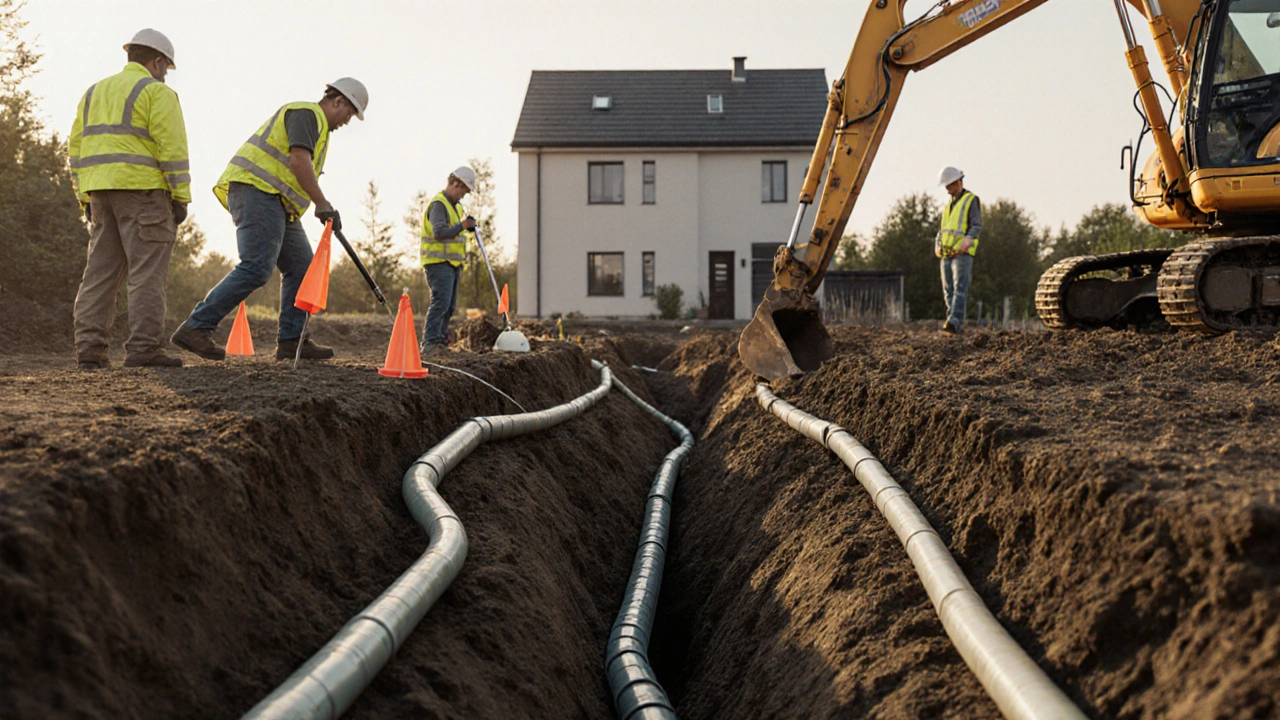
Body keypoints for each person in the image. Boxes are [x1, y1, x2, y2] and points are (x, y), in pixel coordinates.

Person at [170, 78, 368, 361]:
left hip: (279, 203)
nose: (347, 122)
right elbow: (298, 161)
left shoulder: (319, 129)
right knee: (257, 267)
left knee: (302, 266)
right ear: (339, 101)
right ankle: (196, 327)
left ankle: (292, 340)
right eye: (349, 114)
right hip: (256, 190)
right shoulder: (306, 114)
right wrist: (322, 203)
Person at [69, 29, 190, 369]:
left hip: (99, 195)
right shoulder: (156, 93)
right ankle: (144, 350)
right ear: (157, 61)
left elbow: (75, 149)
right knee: (146, 272)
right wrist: (180, 196)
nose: (165, 75)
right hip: (143, 194)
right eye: (165, 68)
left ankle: (90, 352)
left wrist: (85, 198)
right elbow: (173, 148)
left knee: (100, 273)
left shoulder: (94, 93)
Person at [419, 166, 477, 355]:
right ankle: (430, 343)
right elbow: (439, 233)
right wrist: (462, 226)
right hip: (437, 263)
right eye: (463, 191)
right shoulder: (439, 204)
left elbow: (454, 230)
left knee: (450, 306)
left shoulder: (456, 206)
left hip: (452, 263)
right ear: (455, 184)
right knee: (440, 303)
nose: (463, 196)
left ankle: (441, 342)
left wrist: (465, 226)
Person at [935, 165, 981, 335]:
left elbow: (976, 225)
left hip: (962, 254)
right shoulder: (949, 204)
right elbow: (943, 228)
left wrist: (968, 239)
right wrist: (938, 244)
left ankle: (954, 321)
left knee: (960, 288)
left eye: (949, 186)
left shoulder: (971, 200)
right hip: (946, 253)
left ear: (958, 182)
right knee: (948, 291)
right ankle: (952, 322)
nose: (947, 190)